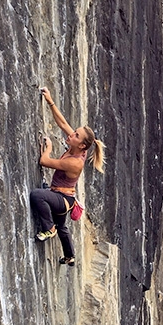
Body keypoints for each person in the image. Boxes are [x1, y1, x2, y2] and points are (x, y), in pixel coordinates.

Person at [29, 89, 104, 266]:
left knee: (37, 195)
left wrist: (48, 148)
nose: (71, 135)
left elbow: (44, 161)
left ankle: (49, 229)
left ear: (83, 145)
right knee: (63, 227)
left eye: (76, 135)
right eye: (75, 132)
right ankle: (70, 256)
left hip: (62, 199)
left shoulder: (75, 162)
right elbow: (62, 123)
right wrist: (50, 101)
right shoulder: (77, 146)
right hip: (65, 198)